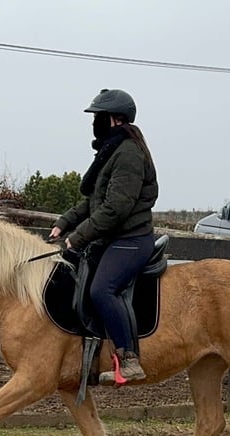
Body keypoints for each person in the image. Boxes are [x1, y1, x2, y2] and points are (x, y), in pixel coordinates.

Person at [49, 88, 158, 384]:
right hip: (114, 237)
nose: (93, 122)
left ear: (114, 119)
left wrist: (78, 237)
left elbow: (116, 207)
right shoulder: (112, 151)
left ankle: (129, 358)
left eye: (97, 116)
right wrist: (65, 223)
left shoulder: (129, 154)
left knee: (102, 290)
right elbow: (94, 201)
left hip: (131, 239)